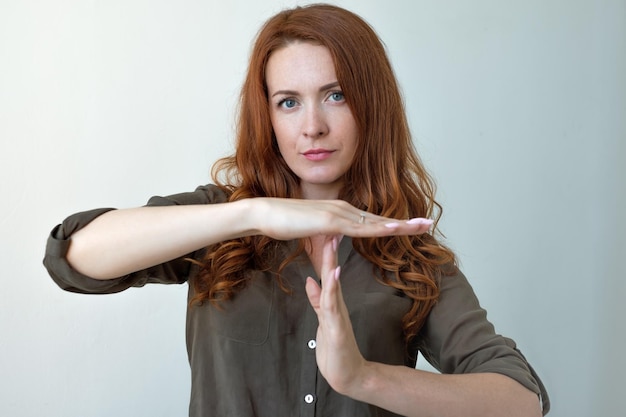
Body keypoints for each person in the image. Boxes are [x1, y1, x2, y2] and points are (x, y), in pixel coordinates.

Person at [43, 3, 549, 417]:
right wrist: (252, 214)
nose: (312, 127)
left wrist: (363, 377)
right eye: (288, 102)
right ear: (267, 115)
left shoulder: (411, 256)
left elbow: (521, 400)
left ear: (371, 106)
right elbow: (74, 256)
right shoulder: (221, 219)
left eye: (336, 95)